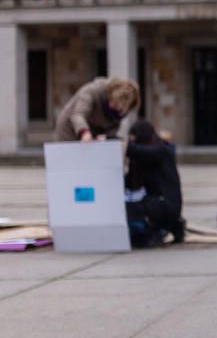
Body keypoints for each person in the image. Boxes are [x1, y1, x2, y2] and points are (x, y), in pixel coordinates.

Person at [124, 119, 185, 248]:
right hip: (157, 202)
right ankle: (168, 227)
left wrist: (121, 145)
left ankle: (156, 231)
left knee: (132, 209)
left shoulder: (161, 150)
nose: (134, 142)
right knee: (128, 206)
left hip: (165, 204)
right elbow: (129, 182)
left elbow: (138, 151)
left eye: (135, 139)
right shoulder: (149, 155)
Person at [54, 77, 140, 142]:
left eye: (118, 107)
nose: (113, 106)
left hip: (95, 132)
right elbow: (78, 115)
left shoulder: (123, 108)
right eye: (113, 102)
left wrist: (107, 137)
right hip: (69, 129)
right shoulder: (91, 91)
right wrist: (84, 132)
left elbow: (113, 126)